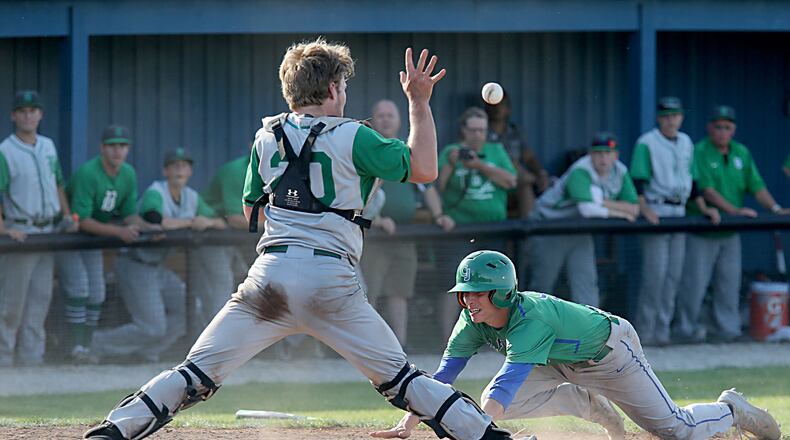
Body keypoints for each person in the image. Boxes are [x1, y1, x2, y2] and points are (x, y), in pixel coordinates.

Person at [85, 40, 517, 440]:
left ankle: (115, 430)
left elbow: (250, 211)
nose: (344, 94)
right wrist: (418, 103)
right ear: (331, 88)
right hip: (331, 278)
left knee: (196, 373)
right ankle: (487, 436)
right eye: (343, 85)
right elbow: (424, 168)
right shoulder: (354, 134)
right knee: (401, 380)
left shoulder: (265, 136)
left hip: (268, 278)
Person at [373, 251, 782, 440]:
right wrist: (408, 424)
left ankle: (730, 409)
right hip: (555, 360)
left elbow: (506, 385)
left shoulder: (529, 319)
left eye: (480, 292)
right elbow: (441, 377)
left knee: (674, 429)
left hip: (608, 355)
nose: (469, 300)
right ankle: (590, 406)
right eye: (465, 293)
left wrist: (476, 434)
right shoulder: (470, 320)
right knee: (496, 405)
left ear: (503, 293)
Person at [90, 148, 225, 363]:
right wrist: (191, 222)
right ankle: (94, 345)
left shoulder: (191, 197)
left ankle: (147, 352)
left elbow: (219, 221)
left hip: (158, 267)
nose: (180, 169)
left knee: (192, 309)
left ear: (190, 171)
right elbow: (156, 221)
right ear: (165, 171)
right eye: (174, 165)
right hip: (135, 263)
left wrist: (207, 222)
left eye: (184, 165)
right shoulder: (156, 191)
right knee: (152, 327)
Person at [674, 106, 790, 344]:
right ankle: (685, 331)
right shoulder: (700, 150)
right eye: (718, 126)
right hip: (703, 231)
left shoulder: (741, 152)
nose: (722, 131)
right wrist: (735, 211)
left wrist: (776, 209)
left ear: (733, 129)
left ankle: (727, 331)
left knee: (729, 283)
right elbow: (706, 191)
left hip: (730, 233)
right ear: (710, 128)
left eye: (727, 127)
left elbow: (756, 186)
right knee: (694, 285)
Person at [55, 124, 150, 363]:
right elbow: (83, 220)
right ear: (102, 149)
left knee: (97, 292)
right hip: (69, 236)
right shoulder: (89, 172)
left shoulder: (128, 173)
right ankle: (73, 347)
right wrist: (120, 232)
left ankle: (85, 348)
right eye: (112, 146)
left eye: (122, 146)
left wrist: (149, 227)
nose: (117, 151)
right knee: (79, 289)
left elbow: (129, 213)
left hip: (94, 239)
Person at [629, 98, 720, 346]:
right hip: (657, 209)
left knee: (673, 277)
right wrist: (644, 209)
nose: (671, 120)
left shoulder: (686, 142)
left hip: (679, 211)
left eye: (676, 115)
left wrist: (705, 208)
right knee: (655, 276)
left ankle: (663, 331)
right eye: (667, 115)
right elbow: (637, 180)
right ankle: (645, 333)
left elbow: (694, 184)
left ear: (681, 117)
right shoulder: (647, 142)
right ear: (659, 117)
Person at [361, 99, 452, 345]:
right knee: (369, 294)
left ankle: (397, 347)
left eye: (391, 115)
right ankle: (367, 346)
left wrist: (438, 215)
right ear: (373, 120)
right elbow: (354, 195)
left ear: (400, 120)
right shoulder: (366, 150)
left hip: (405, 236)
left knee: (399, 293)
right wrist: (376, 219)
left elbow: (427, 188)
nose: (386, 119)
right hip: (372, 238)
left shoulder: (404, 151)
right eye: (380, 115)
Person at [0, 90, 75, 367]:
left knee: (40, 300)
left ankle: (32, 361)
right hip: (22, 233)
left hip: (49, 232)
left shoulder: (48, 145)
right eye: (23, 110)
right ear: (14, 115)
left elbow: (58, 183)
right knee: (11, 305)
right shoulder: (5, 150)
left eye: (33, 110)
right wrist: (4, 229)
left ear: (40, 114)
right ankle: (4, 362)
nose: (28, 115)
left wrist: (66, 215)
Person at [529, 132, 639, 307]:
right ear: (591, 155)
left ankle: (591, 332)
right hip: (549, 226)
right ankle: (533, 329)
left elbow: (634, 207)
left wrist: (601, 202)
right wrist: (618, 211)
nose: (603, 158)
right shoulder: (581, 169)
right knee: (542, 285)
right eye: (598, 153)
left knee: (586, 283)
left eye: (607, 153)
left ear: (615, 155)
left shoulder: (620, 171)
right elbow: (587, 209)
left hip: (578, 229)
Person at [436, 106, 517, 339]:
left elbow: (511, 181)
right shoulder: (451, 151)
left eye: (481, 131)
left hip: (492, 230)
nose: (477, 136)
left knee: (496, 287)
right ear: (463, 130)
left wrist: (479, 165)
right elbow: (435, 189)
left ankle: (498, 337)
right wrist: (452, 165)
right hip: (459, 231)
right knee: (453, 285)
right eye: (472, 130)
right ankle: (447, 339)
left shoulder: (496, 151)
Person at [485, 90, 548, 218]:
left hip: (514, 182)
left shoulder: (515, 132)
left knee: (526, 186)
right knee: (520, 172)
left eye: (501, 105)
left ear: (508, 108)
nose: (497, 108)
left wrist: (541, 173)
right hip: (489, 180)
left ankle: (528, 231)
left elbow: (529, 157)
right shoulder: (480, 131)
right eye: (494, 104)